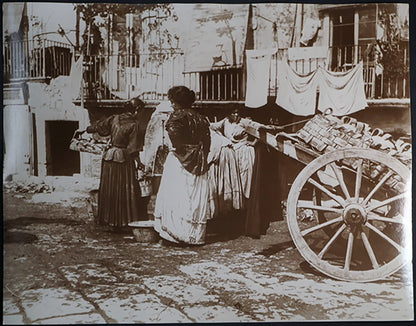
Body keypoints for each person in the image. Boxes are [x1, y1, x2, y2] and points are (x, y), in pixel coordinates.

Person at [153, 86, 211, 245]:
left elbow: (175, 137)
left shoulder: (176, 117)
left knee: (177, 195)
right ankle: (193, 236)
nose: (171, 104)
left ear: (177, 102)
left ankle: (174, 235)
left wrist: (182, 150)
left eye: (172, 101)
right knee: (192, 197)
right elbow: (207, 142)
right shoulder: (201, 118)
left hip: (180, 160)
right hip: (198, 161)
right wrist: (199, 153)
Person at [86, 98, 147, 229]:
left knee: (110, 189)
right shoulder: (134, 125)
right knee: (124, 189)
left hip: (109, 158)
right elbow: (133, 150)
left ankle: (109, 220)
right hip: (123, 159)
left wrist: (88, 129)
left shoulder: (115, 118)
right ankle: (124, 221)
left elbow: (99, 127)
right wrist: (140, 163)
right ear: (137, 110)